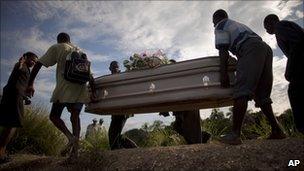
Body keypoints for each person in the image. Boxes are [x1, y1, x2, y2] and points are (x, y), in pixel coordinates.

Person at [212, 9, 286, 145]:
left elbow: (223, 51)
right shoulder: (237, 25)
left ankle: (235, 134)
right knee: (262, 95)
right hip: (264, 49)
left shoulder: (220, 25)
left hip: (250, 49)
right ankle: (277, 130)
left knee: (241, 91)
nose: (213, 25)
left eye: (213, 22)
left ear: (216, 19)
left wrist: (224, 75)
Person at [26, 32, 97, 159]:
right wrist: (94, 92)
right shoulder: (80, 51)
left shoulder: (58, 47)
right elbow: (90, 75)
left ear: (59, 40)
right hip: (81, 89)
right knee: (75, 116)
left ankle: (70, 137)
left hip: (64, 88)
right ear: (69, 40)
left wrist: (30, 84)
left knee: (54, 116)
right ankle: (75, 152)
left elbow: (39, 63)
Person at [263, 14, 304, 134]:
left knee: (295, 92)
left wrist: (290, 69)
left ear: (271, 22)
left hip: (300, 63)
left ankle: (302, 128)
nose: (266, 30)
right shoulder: (284, 27)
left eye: (266, 27)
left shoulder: (280, 27)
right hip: (300, 63)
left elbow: (298, 44)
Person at [0, 52, 38, 163]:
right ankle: (1, 152)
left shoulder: (27, 69)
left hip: (14, 94)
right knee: (14, 123)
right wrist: (21, 61)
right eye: (32, 60)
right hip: (14, 95)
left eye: (35, 62)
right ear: (25, 58)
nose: (33, 63)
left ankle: (2, 151)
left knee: (9, 123)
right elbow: (19, 69)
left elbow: (19, 83)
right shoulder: (21, 65)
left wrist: (25, 98)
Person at [108, 61, 138, 150]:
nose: (115, 69)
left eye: (116, 67)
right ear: (110, 68)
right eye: (113, 67)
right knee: (114, 132)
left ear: (119, 68)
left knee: (113, 133)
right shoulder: (111, 78)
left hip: (123, 109)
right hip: (116, 109)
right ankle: (129, 148)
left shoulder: (123, 77)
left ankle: (118, 149)